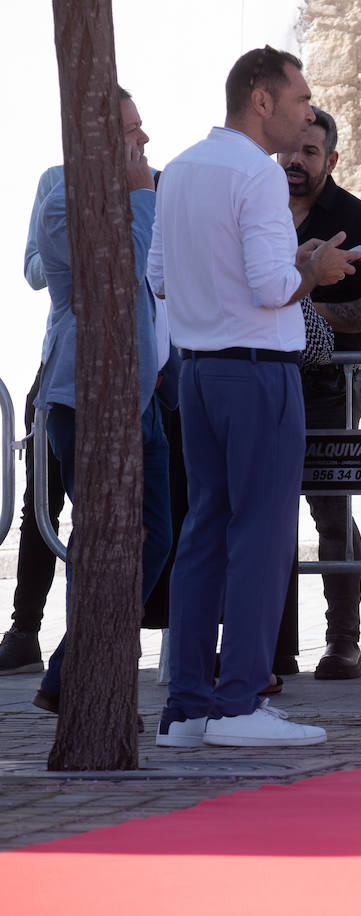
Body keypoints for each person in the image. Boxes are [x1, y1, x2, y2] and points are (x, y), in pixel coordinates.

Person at [148, 46, 361, 748]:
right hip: (258, 372)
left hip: (200, 370)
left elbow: (159, 276)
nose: (308, 112)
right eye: (300, 99)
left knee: (203, 533)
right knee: (262, 538)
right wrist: (319, 268)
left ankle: (186, 708)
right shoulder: (258, 176)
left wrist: (285, 271)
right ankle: (238, 702)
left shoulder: (179, 169)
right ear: (261, 99)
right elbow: (275, 289)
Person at [28, 87, 173, 723]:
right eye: (129, 132)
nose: (143, 142)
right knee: (108, 542)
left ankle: (70, 669)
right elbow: (125, 267)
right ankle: (80, 678)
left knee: (155, 536)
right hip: (86, 398)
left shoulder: (140, 194)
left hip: (140, 394)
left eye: (141, 129)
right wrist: (143, 197)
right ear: (89, 137)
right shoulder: (63, 202)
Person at [276, 105, 361, 681]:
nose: (295, 162)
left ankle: (343, 642)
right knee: (265, 512)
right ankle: (274, 647)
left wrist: (300, 304)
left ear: (332, 158)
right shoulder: (258, 209)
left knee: (331, 509)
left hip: (331, 383)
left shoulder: (359, 220)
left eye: (310, 153)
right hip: (264, 380)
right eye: (290, 150)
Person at [0, 165, 67, 676]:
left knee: (109, 515)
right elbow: (34, 271)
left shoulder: (149, 183)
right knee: (39, 506)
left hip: (133, 372)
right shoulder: (56, 181)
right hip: (58, 367)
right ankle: (25, 631)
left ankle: (102, 634)